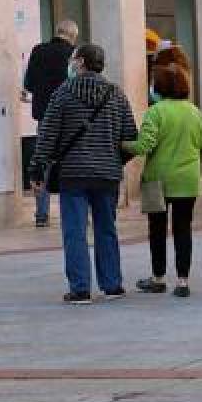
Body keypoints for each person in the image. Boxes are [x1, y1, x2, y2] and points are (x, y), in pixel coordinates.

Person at [29, 44, 138, 304]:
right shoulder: (116, 94)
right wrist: (113, 160)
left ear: (81, 63)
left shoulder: (64, 93)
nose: (71, 63)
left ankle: (80, 289)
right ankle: (112, 285)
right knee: (106, 229)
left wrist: (37, 167)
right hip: (107, 175)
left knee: (74, 232)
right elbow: (131, 137)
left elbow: (48, 135)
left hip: (73, 174)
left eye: (73, 59)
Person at [124, 64, 202, 298]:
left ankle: (158, 278)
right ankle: (183, 282)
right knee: (183, 229)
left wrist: (121, 144)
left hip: (157, 181)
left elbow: (144, 145)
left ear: (159, 87)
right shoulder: (195, 112)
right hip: (188, 180)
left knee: (157, 229)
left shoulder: (156, 111)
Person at [22, 20, 79, 227]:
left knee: (42, 162)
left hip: (44, 116)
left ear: (57, 32)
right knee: (72, 163)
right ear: (73, 36)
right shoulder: (75, 54)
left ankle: (41, 215)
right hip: (69, 118)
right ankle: (76, 213)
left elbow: (28, 83)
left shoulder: (38, 51)